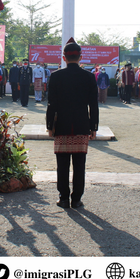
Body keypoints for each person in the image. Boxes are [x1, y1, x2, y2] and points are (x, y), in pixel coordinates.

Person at [46, 38, 98, 210]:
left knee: (62, 165)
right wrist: (94, 127)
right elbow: (93, 105)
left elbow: (51, 104)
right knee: (79, 165)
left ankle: (63, 198)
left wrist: (49, 126)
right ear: (80, 57)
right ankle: (76, 199)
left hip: (61, 125)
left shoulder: (55, 76)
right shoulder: (89, 77)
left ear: (64, 57)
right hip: (82, 125)